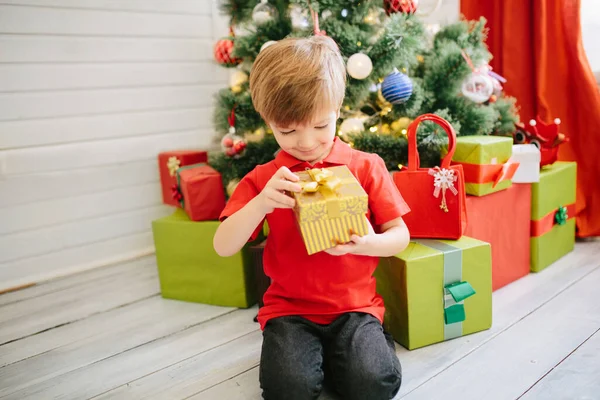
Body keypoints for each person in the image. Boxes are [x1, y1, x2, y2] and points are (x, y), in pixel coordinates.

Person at [213, 35, 411, 400]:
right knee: (288, 390)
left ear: (338, 110)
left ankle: (357, 351)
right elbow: (223, 246)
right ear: (268, 121)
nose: (305, 142)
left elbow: (400, 236)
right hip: (288, 310)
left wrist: (367, 242)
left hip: (355, 306)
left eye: (320, 126)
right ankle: (323, 359)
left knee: (373, 385)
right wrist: (260, 205)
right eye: (287, 130)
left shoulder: (366, 167)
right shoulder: (263, 179)